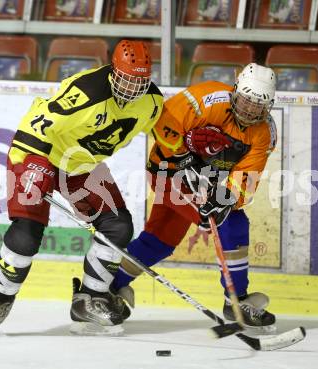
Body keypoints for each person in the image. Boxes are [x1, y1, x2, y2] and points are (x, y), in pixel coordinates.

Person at [0, 39, 164, 336]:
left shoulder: (152, 102)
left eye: (139, 82)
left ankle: (89, 299)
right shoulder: (86, 92)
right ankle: (0, 300)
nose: (132, 90)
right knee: (27, 233)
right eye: (127, 80)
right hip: (40, 154)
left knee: (118, 227)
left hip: (82, 166)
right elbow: (37, 126)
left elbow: (166, 139)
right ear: (114, 72)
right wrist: (30, 168)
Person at [111, 63, 278, 331]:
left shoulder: (264, 132)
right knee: (233, 223)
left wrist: (226, 197)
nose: (249, 109)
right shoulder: (207, 99)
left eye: (258, 105)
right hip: (168, 171)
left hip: (198, 182)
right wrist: (184, 149)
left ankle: (107, 286)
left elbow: (247, 177)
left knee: (160, 241)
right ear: (235, 90)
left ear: (268, 107)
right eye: (246, 100)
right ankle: (235, 301)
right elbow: (163, 121)